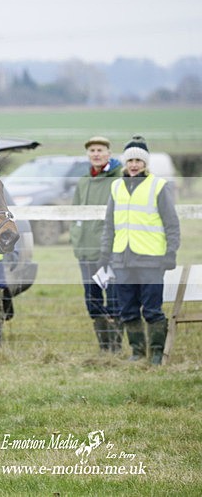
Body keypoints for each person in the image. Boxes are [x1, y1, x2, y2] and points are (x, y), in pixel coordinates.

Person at [99, 136, 181, 365]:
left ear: (145, 163)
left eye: (138, 160)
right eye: (130, 160)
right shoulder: (116, 187)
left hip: (151, 259)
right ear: (125, 163)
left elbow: (172, 224)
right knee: (128, 309)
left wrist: (170, 253)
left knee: (152, 309)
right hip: (122, 260)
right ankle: (138, 352)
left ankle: (156, 353)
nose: (134, 165)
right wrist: (105, 253)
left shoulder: (158, 186)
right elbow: (109, 224)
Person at [69, 136, 123, 353]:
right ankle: (104, 347)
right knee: (92, 300)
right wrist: (76, 239)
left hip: (109, 251)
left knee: (114, 299)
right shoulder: (83, 181)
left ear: (108, 153)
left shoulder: (118, 179)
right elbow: (75, 214)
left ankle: (116, 347)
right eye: (92, 151)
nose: (96, 154)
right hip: (85, 251)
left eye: (100, 150)